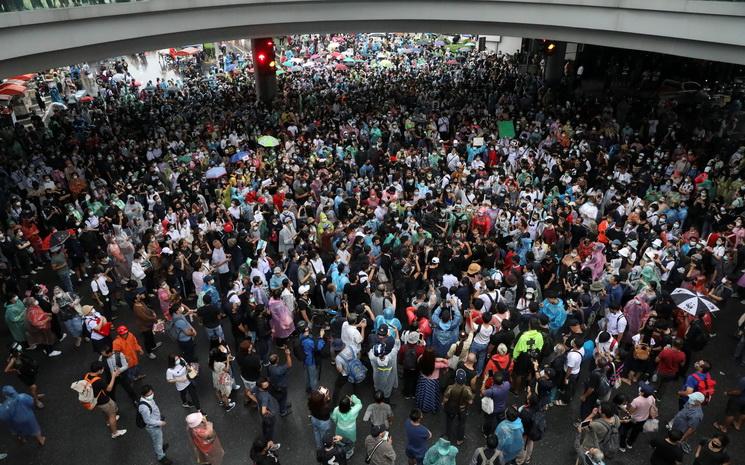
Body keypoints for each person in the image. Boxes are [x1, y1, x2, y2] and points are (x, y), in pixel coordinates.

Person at [79, 360, 126, 438]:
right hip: (103, 401)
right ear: (99, 370)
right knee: (112, 415)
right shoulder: (99, 381)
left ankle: (108, 422)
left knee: (104, 410)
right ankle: (115, 433)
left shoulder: (86, 375)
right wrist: (113, 376)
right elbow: (109, 389)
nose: (103, 370)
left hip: (95, 400)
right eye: (102, 369)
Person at [138, 385, 173, 465]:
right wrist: (160, 422)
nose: (151, 395)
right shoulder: (143, 407)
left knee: (158, 439)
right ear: (143, 395)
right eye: (149, 395)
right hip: (153, 427)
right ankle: (161, 457)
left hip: (156, 422)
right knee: (157, 441)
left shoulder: (148, 400)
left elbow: (153, 409)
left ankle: (160, 448)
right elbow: (147, 420)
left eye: (152, 393)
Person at [619, 382, 657, 452]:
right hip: (643, 419)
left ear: (642, 393)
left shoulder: (637, 400)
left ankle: (622, 446)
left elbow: (631, 411)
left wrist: (625, 407)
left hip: (633, 419)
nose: (639, 389)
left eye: (641, 389)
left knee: (624, 430)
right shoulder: (652, 398)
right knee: (635, 432)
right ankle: (629, 443)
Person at [442, 368, 473, 445]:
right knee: (461, 424)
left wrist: (443, 403)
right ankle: (459, 439)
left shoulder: (450, 388)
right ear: (465, 380)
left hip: (451, 408)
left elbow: (446, 399)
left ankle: (448, 436)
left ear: (455, 379)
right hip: (462, 409)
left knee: (449, 421)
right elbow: (470, 401)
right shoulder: (467, 389)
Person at [331, 394, 363, 460]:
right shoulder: (353, 411)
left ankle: (340, 448)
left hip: (340, 428)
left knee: (339, 440)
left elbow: (333, 418)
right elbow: (359, 404)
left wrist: (337, 422)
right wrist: (353, 397)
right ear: (349, 405)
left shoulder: (337, 409)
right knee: (350, 442)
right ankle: (348, 454)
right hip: (351, 431)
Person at [298, 320, 326, 392]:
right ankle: (314, 392)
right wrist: (321, 336)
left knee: (306, 374)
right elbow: (319, 346)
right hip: (311, 361)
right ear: (306, 329)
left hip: (305, 359)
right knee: (313, 376)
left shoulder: (301, 336)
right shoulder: (308, 341)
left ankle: (308, 387)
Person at [267, 348, 293, 416]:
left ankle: (283, 405)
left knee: (280, 398)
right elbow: (289, 364)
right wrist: (287, 355)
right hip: (281, 387)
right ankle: (283, 411)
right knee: (282, 398)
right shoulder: (279, 370)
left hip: (274, 386)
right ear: (277, 360)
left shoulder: (270, 367)